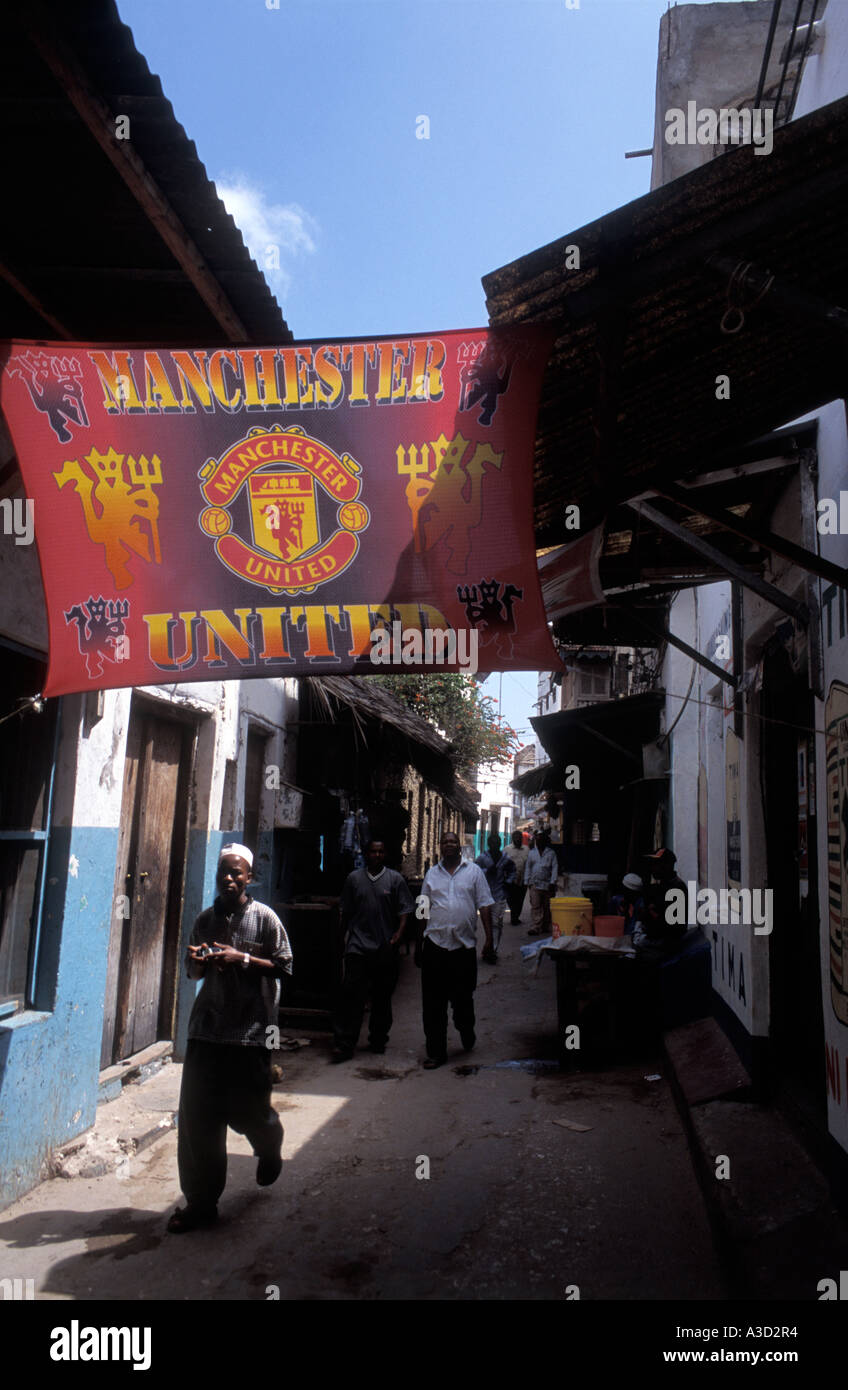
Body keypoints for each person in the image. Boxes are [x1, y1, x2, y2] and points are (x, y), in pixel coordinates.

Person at [167, 844, 293, 1234]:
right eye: (223, 871)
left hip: (251, 1034)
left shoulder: (266, 919)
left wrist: (242, 959)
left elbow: (286, 967)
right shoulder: (205, 920)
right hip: (207, 1032)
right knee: (198, 1121)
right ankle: (201, 1203)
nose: (228, 878)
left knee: (250, 1113)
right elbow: (192, 976)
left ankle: (268, 1143)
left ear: (248, 878)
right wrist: (196, 962)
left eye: (236, 873)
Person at [330, 839, 414, 1062]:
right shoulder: (354, 879)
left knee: (382, 998)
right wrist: (341, 939)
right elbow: (345, 912)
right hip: (357, 947)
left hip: (384, 948)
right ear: (366, 854)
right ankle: (345, 1043)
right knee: (352, 997)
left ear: (385, 854)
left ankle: (378, 1039)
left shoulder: (395, 880)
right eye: (372, 852)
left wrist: (399, 934)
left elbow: (405, 909)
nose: (376, 855)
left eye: (380, 851)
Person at [418, 830, 494, 1068]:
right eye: (445, 842)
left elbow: (485, 905)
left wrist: (489, 940)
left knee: (462, 1001)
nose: (449, 845)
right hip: (435, 946)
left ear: (459, 846)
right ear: (440, 846)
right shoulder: (431, 874)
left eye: (453, 841)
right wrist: (420, 942)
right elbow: (423, 908)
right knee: (433, 1004)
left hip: (463, 948)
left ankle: (466, 1028)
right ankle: (436, 1053)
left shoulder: (474, 872)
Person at [637, 848, 689, 957]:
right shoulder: (663, 885)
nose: (652, 868)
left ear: (667, 866)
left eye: (656, 864)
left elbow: (674, 928)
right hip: (658, 939)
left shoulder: (677, 888)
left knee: (638, 943)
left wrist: (651, 915)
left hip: (668, 944)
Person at [475, 830, 516, 958]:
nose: (494, 844)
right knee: (488, 923)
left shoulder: (505, 858)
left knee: (497, 923)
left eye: (497, 842)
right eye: (492, 842)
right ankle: (489, 945)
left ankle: (492, 949)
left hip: (499, 894)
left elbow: (512, 871)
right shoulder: (482, 857)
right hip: (484, 895)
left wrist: (508, 882)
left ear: (499, 843)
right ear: (489, 844)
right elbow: (474, 871)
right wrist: (487, 871)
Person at [525, 829, 559, 937]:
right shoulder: (532, 853)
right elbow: (528, 868)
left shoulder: (551, 853)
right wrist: (527, 881)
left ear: (545, 841)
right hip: (534, 884)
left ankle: (545, 926)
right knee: (535, 905)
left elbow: (554, 868)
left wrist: (553, 882)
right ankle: (535, 927)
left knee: (547, 906)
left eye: (541, 840)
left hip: (548, 884)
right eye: (537, 840)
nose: (539, 842)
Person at [503, 829, 530, 925]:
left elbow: (528, 864)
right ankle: (514, 915)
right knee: (510, 899)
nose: (518, 839)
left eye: (519, 837)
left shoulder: (527, 849)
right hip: (510, 879)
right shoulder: (507, 849)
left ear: (522, 839)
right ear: (512, 838)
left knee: (520, 899)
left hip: (522, 879)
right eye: (516, 837)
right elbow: (503, 863)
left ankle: (515, 917)